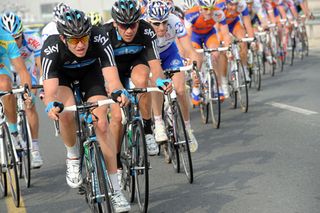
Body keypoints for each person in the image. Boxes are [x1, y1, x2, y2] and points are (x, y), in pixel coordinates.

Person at [41, 9, 130, 212]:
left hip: (90, 74)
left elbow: (112, 77)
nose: (80, 45)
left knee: (102, 124)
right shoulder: (51, 47)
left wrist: (118, 92)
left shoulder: (99, 37)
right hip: (62, 78)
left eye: (83, 38)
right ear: (63, 38)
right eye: (73, 41)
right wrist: (51, 104)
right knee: (65, 114)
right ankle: (73, 155)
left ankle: (116, 191)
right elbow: (50, 91)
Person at [102, 0, 172, 167]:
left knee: (142, 81)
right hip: (113, 68)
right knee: (117, 117)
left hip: (135, 62)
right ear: (114, 23)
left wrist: (161, 81)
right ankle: (116, 161)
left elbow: (155, 66)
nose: (128, 30)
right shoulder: (105, 33)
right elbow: (107, 72)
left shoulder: (146, 29)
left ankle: (148, 130)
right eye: (123, 26)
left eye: (133, 25)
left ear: (138, 22)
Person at [146, 0, 200, 152]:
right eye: (156, 24)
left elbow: (189, 50)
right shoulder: (142, 26)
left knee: (181, 90)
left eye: (164, 22)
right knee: (156, 84)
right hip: (151, 56)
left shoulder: (175, 21)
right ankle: (158, 123)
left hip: (170, 53)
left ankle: (188, 129)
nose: (162, 27)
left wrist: (195, 69)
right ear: (149, 21)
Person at [1, 12, 44, 168]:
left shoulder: (33, 38)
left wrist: (35, 86)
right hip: (5, 67)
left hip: (25, 67)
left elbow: (39, 64)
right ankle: (12, 130)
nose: (14, 41)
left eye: (17, 38)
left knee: (29, 104)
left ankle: (35, 147)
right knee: (6, 92)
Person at [0, 22, 32, 150]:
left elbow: (22, 71)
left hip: (2, 61)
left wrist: (27, 95)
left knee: (4, 85)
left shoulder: (6, 38)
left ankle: (14, 132)